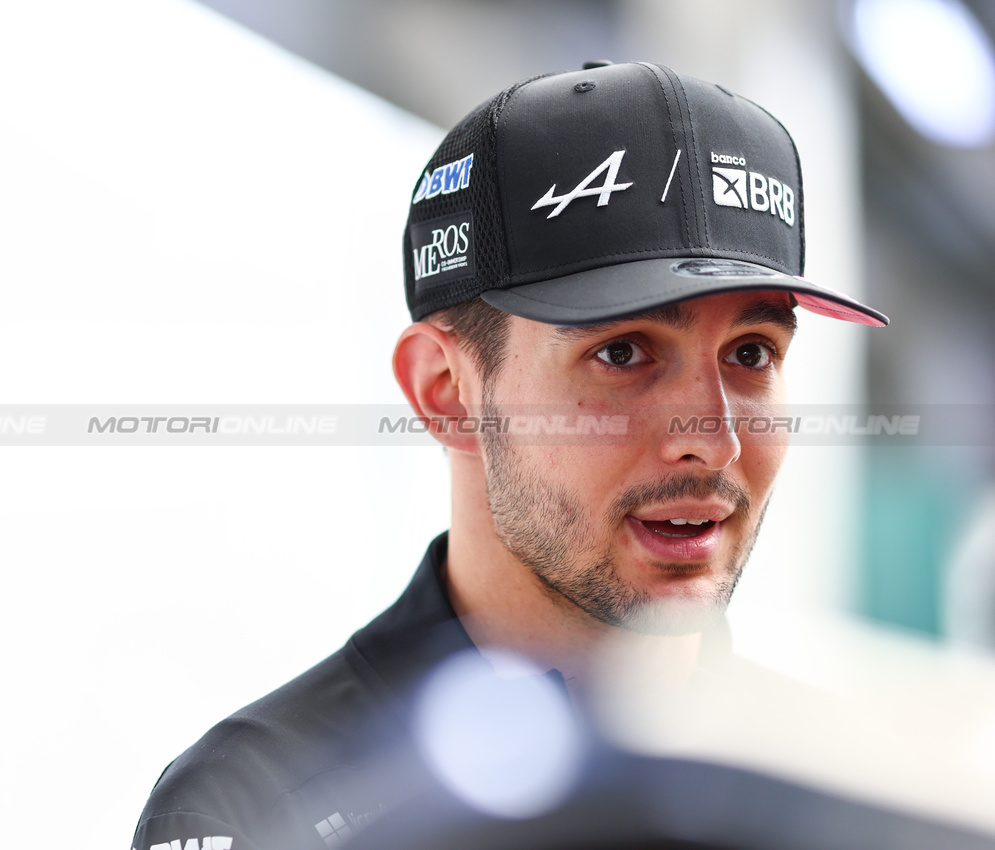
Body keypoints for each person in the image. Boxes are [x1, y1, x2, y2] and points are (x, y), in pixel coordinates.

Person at [131, 61, 887, 850]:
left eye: (752, 353)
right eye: (623, 353)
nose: (714, 438)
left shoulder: (845, 784)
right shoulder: (257, 806)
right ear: (446, 393)